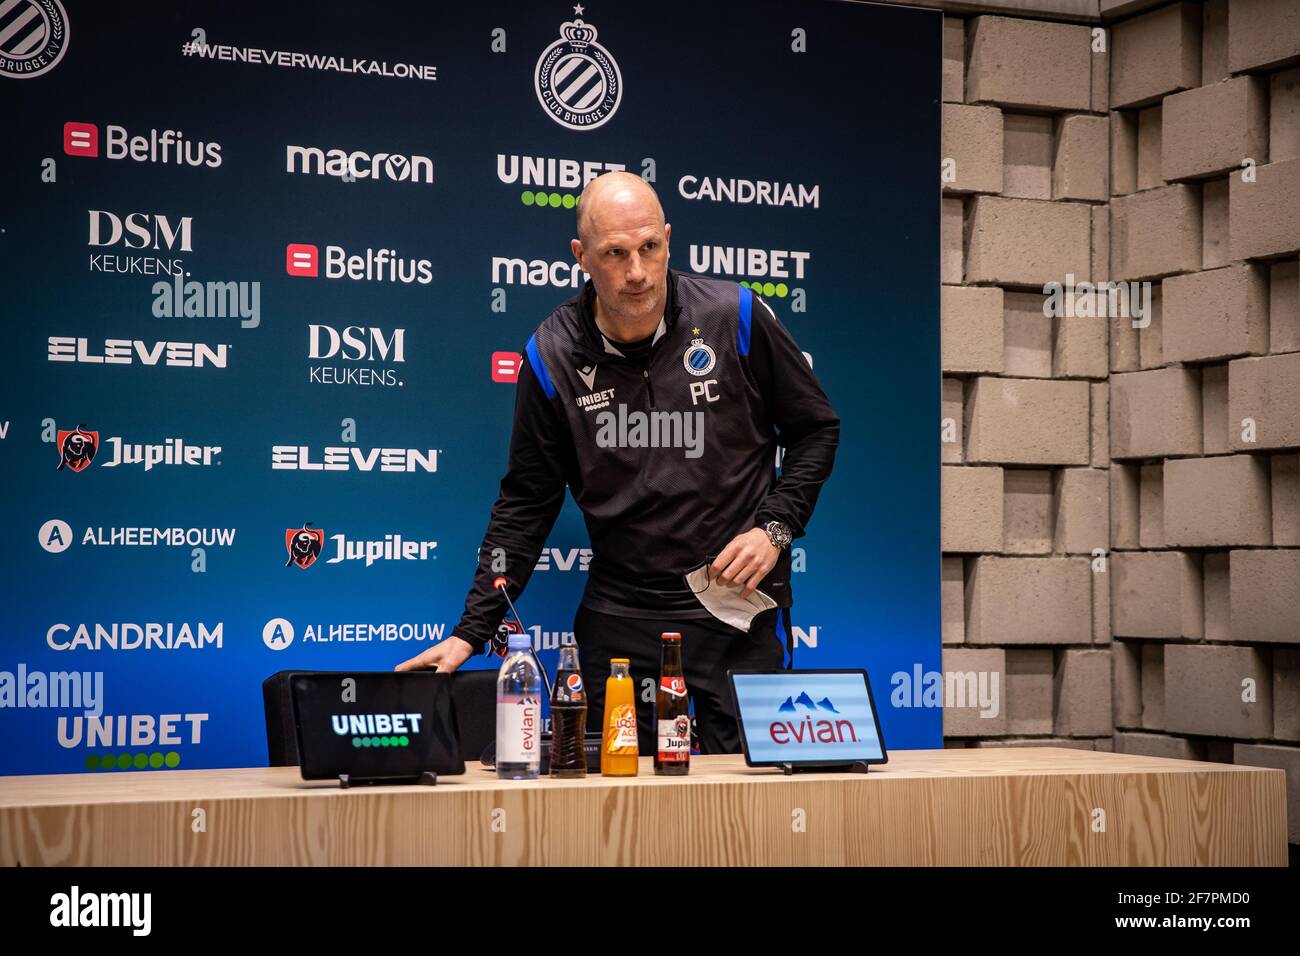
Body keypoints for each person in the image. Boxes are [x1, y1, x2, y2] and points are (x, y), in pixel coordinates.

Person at [396, 172, 839, 755]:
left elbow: (816, 428)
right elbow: (527, 501)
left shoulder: (737, 318)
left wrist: (774, 528)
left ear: (668, 241)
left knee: (751, 805)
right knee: (612, 812)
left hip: (737, 608)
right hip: (621, 615)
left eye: (649, 248)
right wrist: (471, 631)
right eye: (615, 254)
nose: (637, 272)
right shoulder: (551, 354)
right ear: (581, 257)